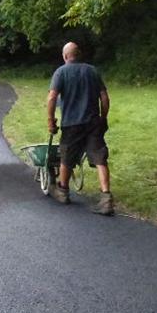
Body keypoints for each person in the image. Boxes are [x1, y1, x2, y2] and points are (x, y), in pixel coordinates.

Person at [46, 42, 114, 214]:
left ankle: (63, 192)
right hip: (93, 122)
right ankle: (106, 199)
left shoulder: (61, 72)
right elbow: (105, 98)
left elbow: (52, 98)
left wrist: (50, 121)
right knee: (100, 158)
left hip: (71, 124)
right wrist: (103, 118)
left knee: (66, 157)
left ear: (65, 56)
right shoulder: (92, 70)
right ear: (79, 54)